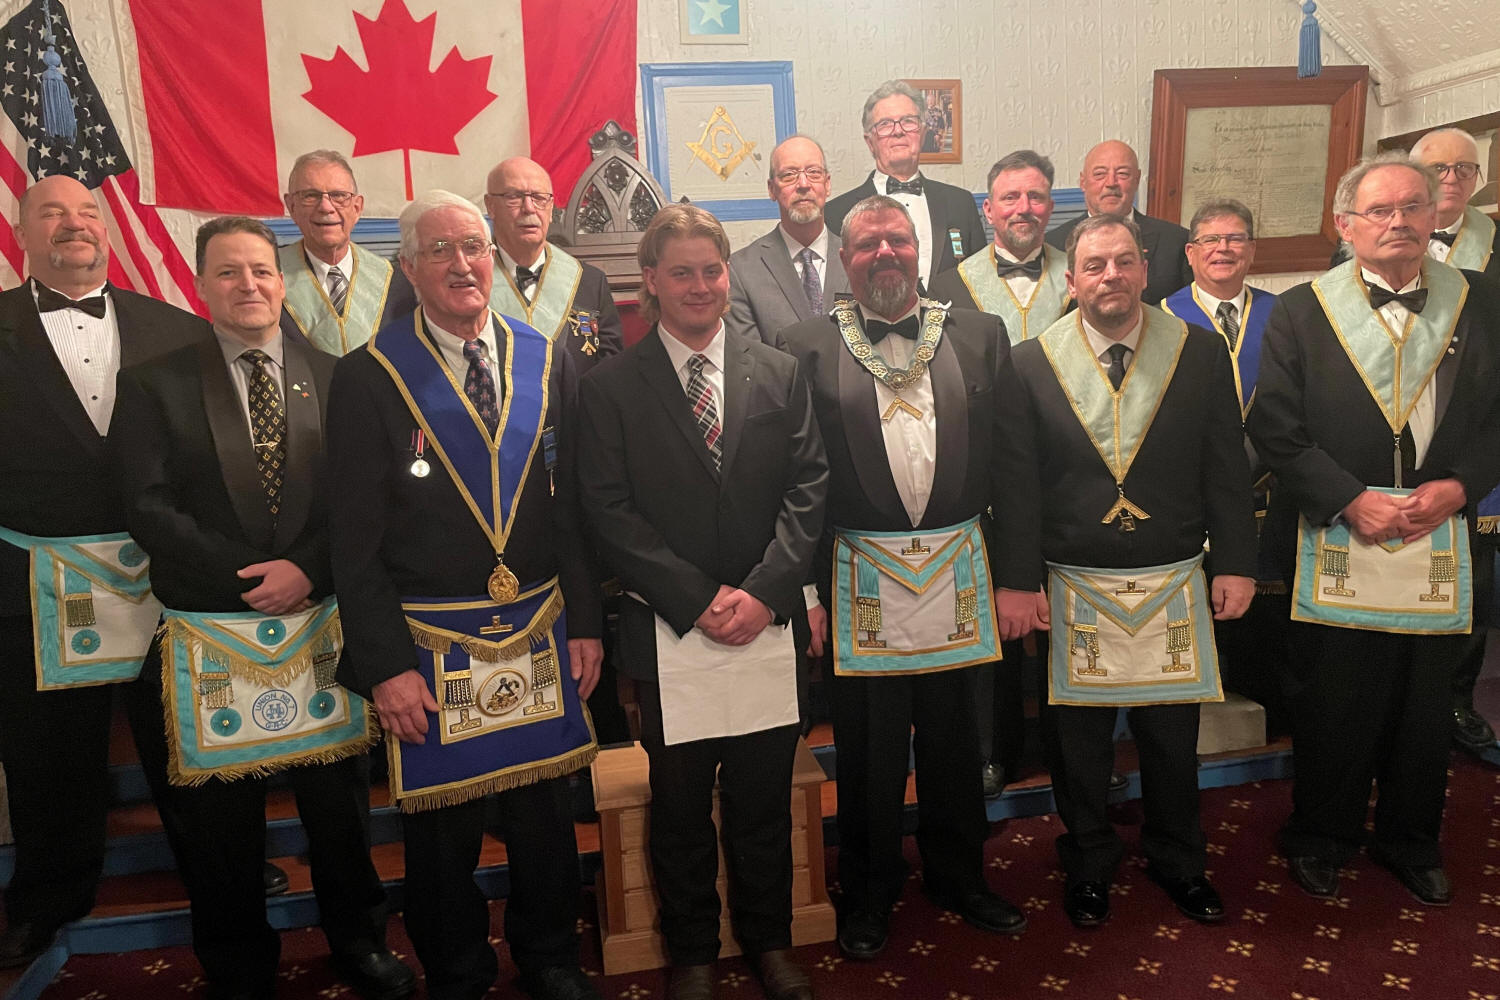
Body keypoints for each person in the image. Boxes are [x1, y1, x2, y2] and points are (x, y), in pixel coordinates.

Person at [109, 216, 413, 1000]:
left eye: (261, 270)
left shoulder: (341, 376)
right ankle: (239, 964)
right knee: (220, 824)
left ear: (283, 283)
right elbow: (146, 503)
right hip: (214, 628)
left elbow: (363, 497)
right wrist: (249, 575)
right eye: (229, 272)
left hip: (317, 622)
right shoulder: (153, 381)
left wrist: (305, 569)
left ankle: (360, 941)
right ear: (201, 286)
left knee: (340, 811)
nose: (248, 284)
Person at [326, 190, 603, 1000]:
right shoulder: (369, 376)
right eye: (440, 251)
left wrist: (587, 622)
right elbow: (354, 543)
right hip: (430, 645)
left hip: (541, 626)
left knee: (545, 818)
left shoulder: (546, 357)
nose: (462, 265)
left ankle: (549, 955)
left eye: (474, 248)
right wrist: (384, 667)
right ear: (408, 269)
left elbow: (573, 508)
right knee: (442, 835)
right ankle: (456, 968)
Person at [579, 204, 828, 1000]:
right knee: (680, 809)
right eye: (680, 272)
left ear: (728, 275)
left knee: (762, 804)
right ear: (650, 282)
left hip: (766, 626)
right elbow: (607, 510)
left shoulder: (780, 370)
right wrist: (697, 598)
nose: (699, 286)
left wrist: (763, 593)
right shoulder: (610, 387)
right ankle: (692, 952)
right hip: (670, 631)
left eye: (711, 270)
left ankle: (769, 942)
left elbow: (809, 490)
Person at [1249, 153, 1500, 906]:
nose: (1399, 222)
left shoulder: (1482, 299)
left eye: (1413, 207)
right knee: (1334, 699)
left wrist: (1461, 486)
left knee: (1426, 705)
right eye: (1380, 210)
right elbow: (1275, 428)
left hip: (1439, 534)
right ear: (1346, 224)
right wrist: (1349, 499)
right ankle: (1321, 835)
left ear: (1435, 216)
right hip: (1338, 533)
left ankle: (1410, 839)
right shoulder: (1301, 310)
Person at [778, 195, 1025, 960]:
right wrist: (806, 594)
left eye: (896, 240)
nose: (884, 253)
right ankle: (870, 889)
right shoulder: (803, 345)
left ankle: (961, 875)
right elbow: (794, 482)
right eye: (866, 245)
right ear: (844, 260)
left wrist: (1017, 578)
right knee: (868, 751)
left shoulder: (980, 334)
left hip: (960, 575)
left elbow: (1015, 467)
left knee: (957, 741)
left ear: (918, 249)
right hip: (859, 581)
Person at [995, 214, 1257, 930]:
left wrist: (1236, 563)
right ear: (1072, 280)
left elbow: (1225, 468)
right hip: (1072, 583)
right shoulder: (1029, 363)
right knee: (1076, 746)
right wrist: (1018, 579)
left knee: (1171, 740)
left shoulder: (1198, 352)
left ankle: (1180, 859)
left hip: (1173, 578)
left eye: (1122, 262)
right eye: (1093, 265)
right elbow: (1015, 484)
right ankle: (1088, 860)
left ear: (1144, 269)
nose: (1109, 275)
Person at [0, 174, 204, 967]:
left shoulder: (177, 328)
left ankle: (214, 866)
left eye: (88, 211)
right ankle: (48, 896)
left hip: (163, 574)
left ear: (108, 231)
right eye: (51, 211)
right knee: (47, 753)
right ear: (23, 232)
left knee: (182, 737)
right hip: (32, 578)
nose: (73, 223)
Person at [929, 149, 1070, 795]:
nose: (1024, 208)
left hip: (1072, 468)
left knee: (1069, 614)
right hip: (988, 475)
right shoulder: (948, 284)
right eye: (1010, 197)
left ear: (1051, 207)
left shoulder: (1084, 270)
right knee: (995, 616)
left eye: (1035, 196)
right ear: (988, 210)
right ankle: (994, 749)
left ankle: (1075, 752)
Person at [1161, 199, 1285, 728]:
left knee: (1265, 633)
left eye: (1235, 239)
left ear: (1252, 250)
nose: (1223, 249)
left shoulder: (1286, 316)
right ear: (1191, 253)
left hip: (1271, 490)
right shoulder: (1161, 318)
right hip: (1190, 496)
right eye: (1211, 240)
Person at [1409, 128, 1500, 754]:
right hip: (1398, 431)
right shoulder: (1357, 246)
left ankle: (1456, 700)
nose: (1451, 179)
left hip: (1473, 431)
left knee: (1472, 579)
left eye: (1464, 168)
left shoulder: (1495, 247)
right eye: (1438, 168)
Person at [824, 81, 985, 289]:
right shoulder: (835, 213)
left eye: (908, 121)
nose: (898, 131)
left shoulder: (960, 203)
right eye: (885, 124)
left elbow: (980, 283)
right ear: (870, 142)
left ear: (923, 133)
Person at [484, 156, 623, 375]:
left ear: (550, 208)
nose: (529, 208)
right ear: (491, 206)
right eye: (514, 197)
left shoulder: (590, 282)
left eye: (539, 198)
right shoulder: (471, 280)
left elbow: (611, 368)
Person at [278, 150, 416, 355]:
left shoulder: (399, 284)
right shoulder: (268, 281)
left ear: (357, 207)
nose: (326, 207)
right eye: (310, 196)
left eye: (338, 196)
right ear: (291, 206)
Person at [727, 135, 851, 344]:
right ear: (771, 189)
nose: (803, 184)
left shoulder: (859, 259)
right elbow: (749, 356)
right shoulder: (741, 270)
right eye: (789, 175)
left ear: (827, 184)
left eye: (813, 173)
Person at [1045, 140, 1191, 305]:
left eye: (1122, 174)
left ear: (1137, 180)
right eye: (1100, 174)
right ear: (1083, 182)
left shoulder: (1176, 243)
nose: (1111, 183)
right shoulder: (1051, 247)